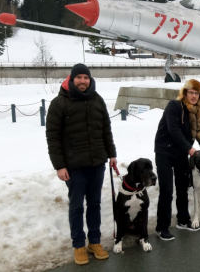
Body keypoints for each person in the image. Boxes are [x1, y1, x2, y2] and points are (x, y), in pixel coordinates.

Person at [46, 63, 116, 265]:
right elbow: (53, 137)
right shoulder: (59, 103)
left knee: (94, 204)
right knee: (77, 206)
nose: (83, 81)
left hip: (97, 163)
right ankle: (78, 244)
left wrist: (111, 154)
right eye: (79, 78)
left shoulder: (97, 100)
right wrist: (59, 165)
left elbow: (106, 129)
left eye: (86, 78)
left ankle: (94, 241)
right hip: (74, 167)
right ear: (72, 79)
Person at [154, 79, 200, 240]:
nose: (194, 96)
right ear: (185, 93)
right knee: (167, 189)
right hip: (164, 151)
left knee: (182, 187)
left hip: (181, 153)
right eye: (191, 92)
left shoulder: (198, 112)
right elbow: (173, 130)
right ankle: (162, 227)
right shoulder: (174, 106)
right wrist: (189, 148)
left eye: (197, 93)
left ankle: (183, 220)